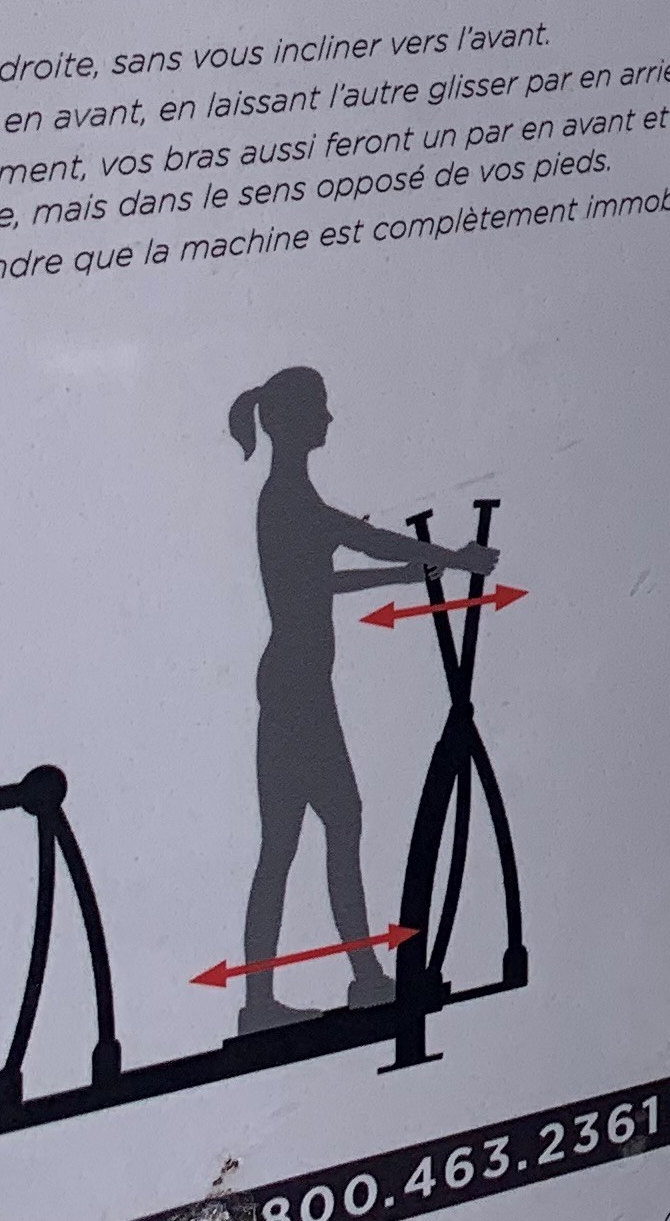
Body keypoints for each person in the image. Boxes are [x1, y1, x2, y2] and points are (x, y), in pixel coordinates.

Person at [225, 365, 493, 1029]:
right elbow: (358, 538)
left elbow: (324, 582)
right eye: (320, 408)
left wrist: (414, 570)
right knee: (331, 825)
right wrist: (452, 560)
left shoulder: (290, 499)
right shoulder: (288, 497)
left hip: (294, 686)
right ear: (293, 421)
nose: (330, 419)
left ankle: (306, 991)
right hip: (298, 691)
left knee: (296, 840)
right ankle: (357, 980)